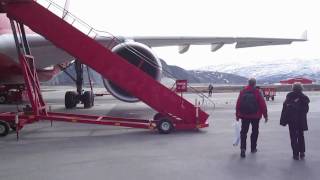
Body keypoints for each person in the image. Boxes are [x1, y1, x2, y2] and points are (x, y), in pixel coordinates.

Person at [236, 78, 268, 158]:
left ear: (248, 83)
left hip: (244, 115)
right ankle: (253, 148)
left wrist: (237, 115)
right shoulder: (257, 92)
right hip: (255, 116)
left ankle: (243, 148)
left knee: (243, 132)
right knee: (255, 132)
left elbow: (238, 103)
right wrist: (265, 115)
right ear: (255, 83)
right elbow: (262, 104)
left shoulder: (243, 91)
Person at [280, 82, 310, 160]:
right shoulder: (304, 98)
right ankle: (302, 152)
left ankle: (295, 154)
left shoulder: (289, 96)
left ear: (293, 88)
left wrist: (283, 120)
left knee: (293, 136)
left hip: (292, 120)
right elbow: (306, 110)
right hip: (301, 120)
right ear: (301, 88)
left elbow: (285, 109)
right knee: (301, 136)